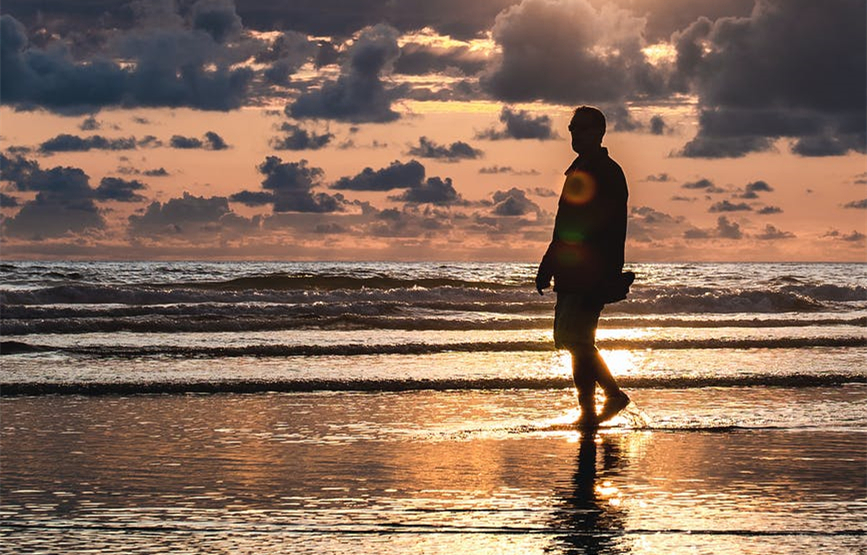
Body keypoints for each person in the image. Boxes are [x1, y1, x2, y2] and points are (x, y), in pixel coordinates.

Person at [535, 106, 632, 427]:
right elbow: (566, 225)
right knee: (575, 341)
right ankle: (590, 411)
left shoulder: (603, 171)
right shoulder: (582, 168)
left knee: (576, 340)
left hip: (588, 272)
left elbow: (594, 227)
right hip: (575, 270)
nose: (575, 134)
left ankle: (611, 396)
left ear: (599, 132)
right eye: (572, 129)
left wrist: (602, 272)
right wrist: (551, 263)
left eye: (582, 129)